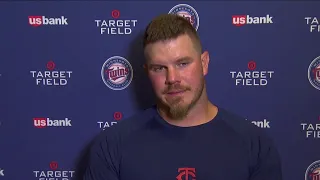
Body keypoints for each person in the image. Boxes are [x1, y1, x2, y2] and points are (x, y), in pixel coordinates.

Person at [83, 14, 283, 180]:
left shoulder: (254, 145)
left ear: (204, 63)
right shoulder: (111, 146)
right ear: (147, 72)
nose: (172, 79)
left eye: (182, 63)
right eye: (159, 68)